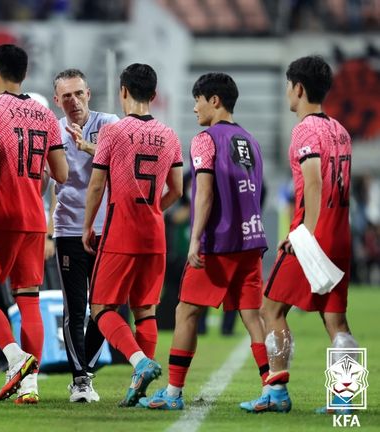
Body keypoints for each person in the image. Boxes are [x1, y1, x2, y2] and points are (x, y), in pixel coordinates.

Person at [140, 73, 269, 410]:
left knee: (185, 312)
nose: (194, 107)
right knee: (253, 316)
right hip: (252, 240)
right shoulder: (250, 141)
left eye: (197, 99)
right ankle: (274, 389)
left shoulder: (204, 140)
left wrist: (196, 239)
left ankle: (172, 393)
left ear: (214, 100)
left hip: (219, 242)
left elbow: (206, 193)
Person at [241, 55, 355, 414]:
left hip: (313, 237)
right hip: (340, 236)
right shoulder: (340, 130)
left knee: (270, 308)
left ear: (299, 88)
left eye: (288, 86)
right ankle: (345, 400)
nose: (287, 93)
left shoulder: (305, 130)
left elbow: (315, 180)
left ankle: (276, 393)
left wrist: (304, 232)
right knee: (336, 320)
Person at [0, 44, 69, 404]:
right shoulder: (45, 115)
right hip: (34, 218)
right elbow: (61, 173)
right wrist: (31, 188)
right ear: (23, 74)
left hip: (2, 216)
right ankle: (30, 385)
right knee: (29, 299)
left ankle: (14, 356)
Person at [83, 63, 183, 407]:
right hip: (154, 236)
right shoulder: (170, 135)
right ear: (154, 96)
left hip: (120, 233)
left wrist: (87, 226)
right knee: (145, 310)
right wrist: (154, 209)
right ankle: (137, 384)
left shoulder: (113, 131)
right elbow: (178, 190)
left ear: (122, 91)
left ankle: (140, 363)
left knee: (101, 307)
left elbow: (97, 185)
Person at [48, 68, 118, 402]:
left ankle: (85, 370)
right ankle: (80, 380)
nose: (73, 101)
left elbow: (122, 161)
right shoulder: (52, 130)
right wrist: (49, 223)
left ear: (89, 93)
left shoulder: (110, 123)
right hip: (69, 229)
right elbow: (52, 183)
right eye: (66, 96)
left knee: (105, 308)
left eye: (78, 93)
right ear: (57, 100)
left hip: (107, 228)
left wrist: (89, 147)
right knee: (76, 308)